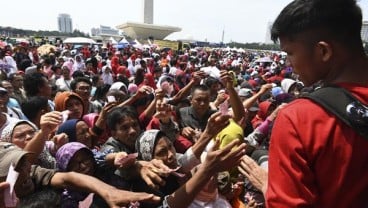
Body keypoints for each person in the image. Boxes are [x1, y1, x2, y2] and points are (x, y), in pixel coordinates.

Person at [266, 0, 368, 207]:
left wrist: (268, 186)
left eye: (290, 53)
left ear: (323, 51)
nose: (288, 63)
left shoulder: (300, 119)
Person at [0, 142, 160, 208]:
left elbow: (68, 178)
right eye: (13, 169)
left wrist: (109, 192)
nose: (25, 170)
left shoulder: (32, 172)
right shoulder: (66, 200)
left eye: (24, 162)